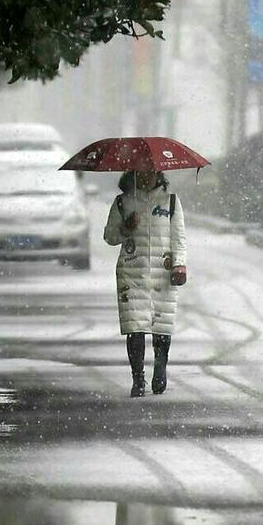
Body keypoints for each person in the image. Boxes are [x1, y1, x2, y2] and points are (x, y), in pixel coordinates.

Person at [104, 170, 187, 397]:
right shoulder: (122, 202)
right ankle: (137, 378)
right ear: (133, 173)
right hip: (132, 272)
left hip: (163, 272)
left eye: (150, 170)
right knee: (136, 325)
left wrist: (179, 264)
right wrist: (125, 228)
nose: (146, 175)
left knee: (161, 323)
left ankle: (160, 367)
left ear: (158, 173)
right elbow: (109, 237)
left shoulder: (170, 201)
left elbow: (178, 237)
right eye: (142, 170)